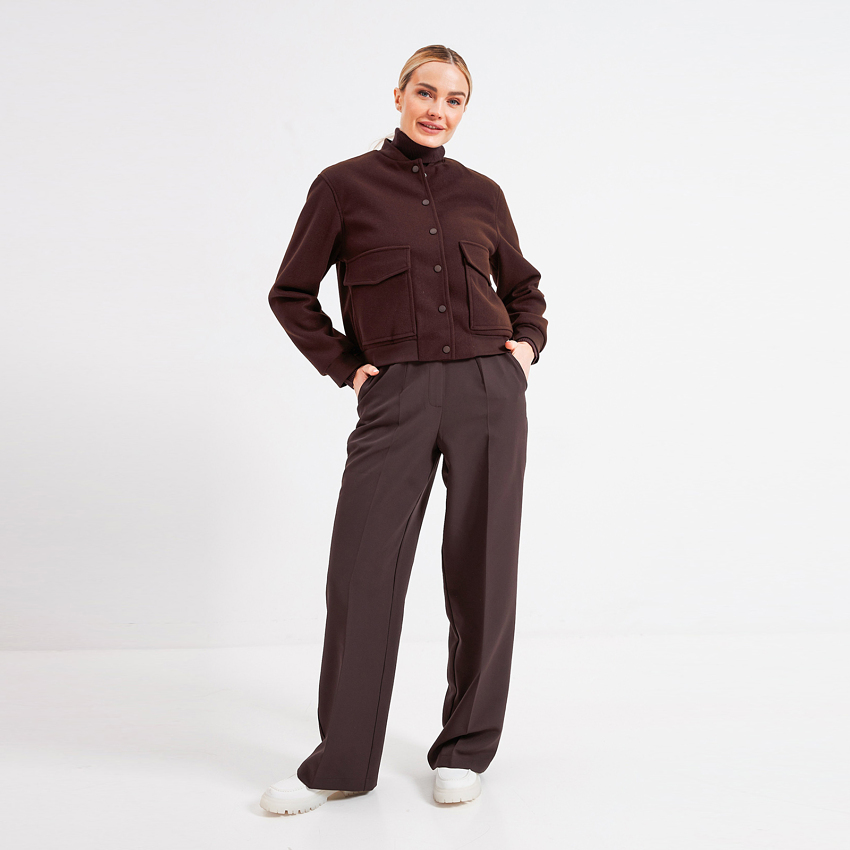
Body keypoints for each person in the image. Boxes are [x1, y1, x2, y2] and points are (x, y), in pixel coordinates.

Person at [260, 44, 547, 815]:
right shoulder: (342, 186)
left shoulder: (482, 193)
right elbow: (291, 293)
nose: (437, 110)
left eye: (454, 100)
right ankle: (343, 762)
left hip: (488, 390)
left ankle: (465, 749)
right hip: (396, 394)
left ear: (463, 110)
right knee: (363, 572)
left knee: (483, 567)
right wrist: (348, 367)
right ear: (398, 95)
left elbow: (524, 288)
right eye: (426, 93)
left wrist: (523, 350)